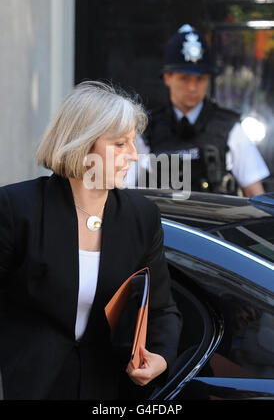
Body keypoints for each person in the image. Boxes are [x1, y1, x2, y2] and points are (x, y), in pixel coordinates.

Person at [0, 81, 182, 400]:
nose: (134, 156)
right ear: (82, 146)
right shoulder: (17, 209)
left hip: (108, 391)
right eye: (120, 144)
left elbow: (163, 309)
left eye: (133, 143)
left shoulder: (141, 217)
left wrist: (162, 356)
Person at [138, 24, 270, 197]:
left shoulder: (230, 129)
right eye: (184, 78)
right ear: (167, 78)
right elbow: (124, 194)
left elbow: (256, 196)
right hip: (162, 223)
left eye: (200, 79)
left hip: (216, 223)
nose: (192, 87)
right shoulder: (145, 130)